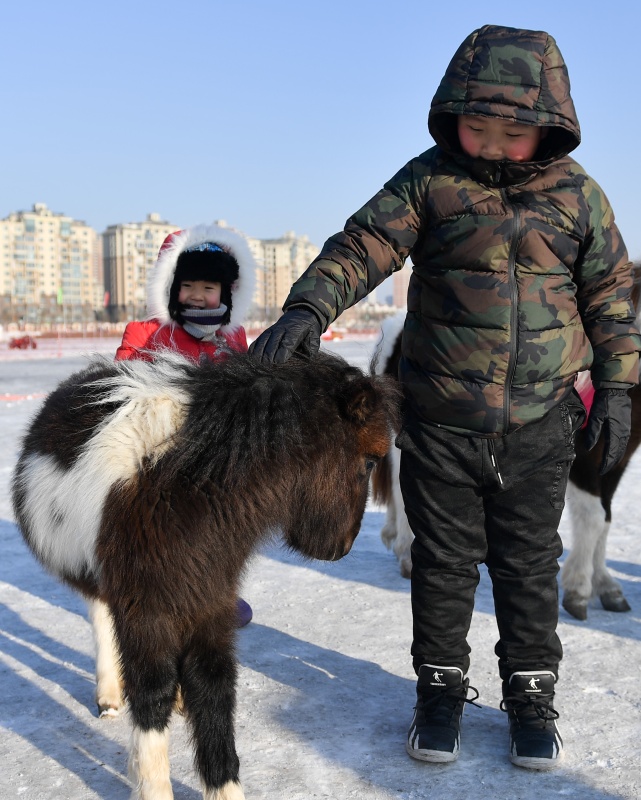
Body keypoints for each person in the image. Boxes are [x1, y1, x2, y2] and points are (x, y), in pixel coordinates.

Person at [249, 24, 641, 769]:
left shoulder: (579, 197)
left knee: (529, 566)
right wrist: (307, 309)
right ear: (451, 113)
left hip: (536, 424)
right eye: (476, 125)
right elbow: (362, 244)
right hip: (438, 423)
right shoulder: (429, 180)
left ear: (548, 125)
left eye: (512, 131)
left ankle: (531, 698)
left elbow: (610, 298)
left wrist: (617, 385)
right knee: (442, 563)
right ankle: (438, 691)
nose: (492, 143)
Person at [117, 223, 257, 627]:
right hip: (158, 453)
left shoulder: (233, 338)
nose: (198, 295)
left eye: (209, 287)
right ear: (169, 286)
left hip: (215, 455)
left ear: (227, 293)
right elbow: (124, 386)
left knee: (224, 524)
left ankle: (217, 590)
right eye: (188, 284)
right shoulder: (145, 333)